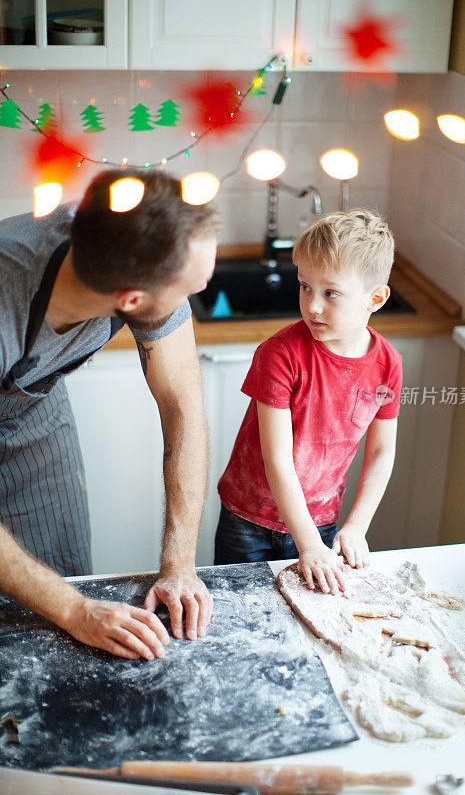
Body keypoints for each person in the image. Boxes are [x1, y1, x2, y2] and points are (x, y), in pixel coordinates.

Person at [0, 168, 221, 660]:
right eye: (187, 290)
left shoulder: (130, 251)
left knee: (59, 580)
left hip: (32, 409)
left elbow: (182, 407)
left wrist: (179, 563)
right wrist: (77, 613)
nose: (191, 299)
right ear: (131, 302)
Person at [215, 209, 402, 594]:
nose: (312, 305)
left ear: (376, 298)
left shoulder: (387, 364)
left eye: (330, 293)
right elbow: (278, 458)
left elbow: (381, 452)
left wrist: (356, 526)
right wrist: (309, 545)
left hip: (322, 520)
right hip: (249, 521)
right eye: (304, 287)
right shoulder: (279, 354)